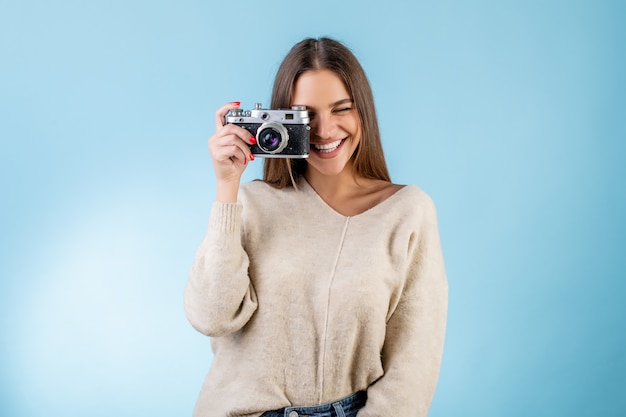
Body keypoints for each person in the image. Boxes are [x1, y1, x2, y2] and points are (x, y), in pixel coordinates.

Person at [184, 37, 448, 417]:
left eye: (342, 108)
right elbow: (210, 316)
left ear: (364, 112)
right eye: (306, 116)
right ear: (281, 119)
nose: (325, 130)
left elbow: (414, 364)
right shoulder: (249, 204)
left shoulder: (407, 212)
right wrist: (227, 186)